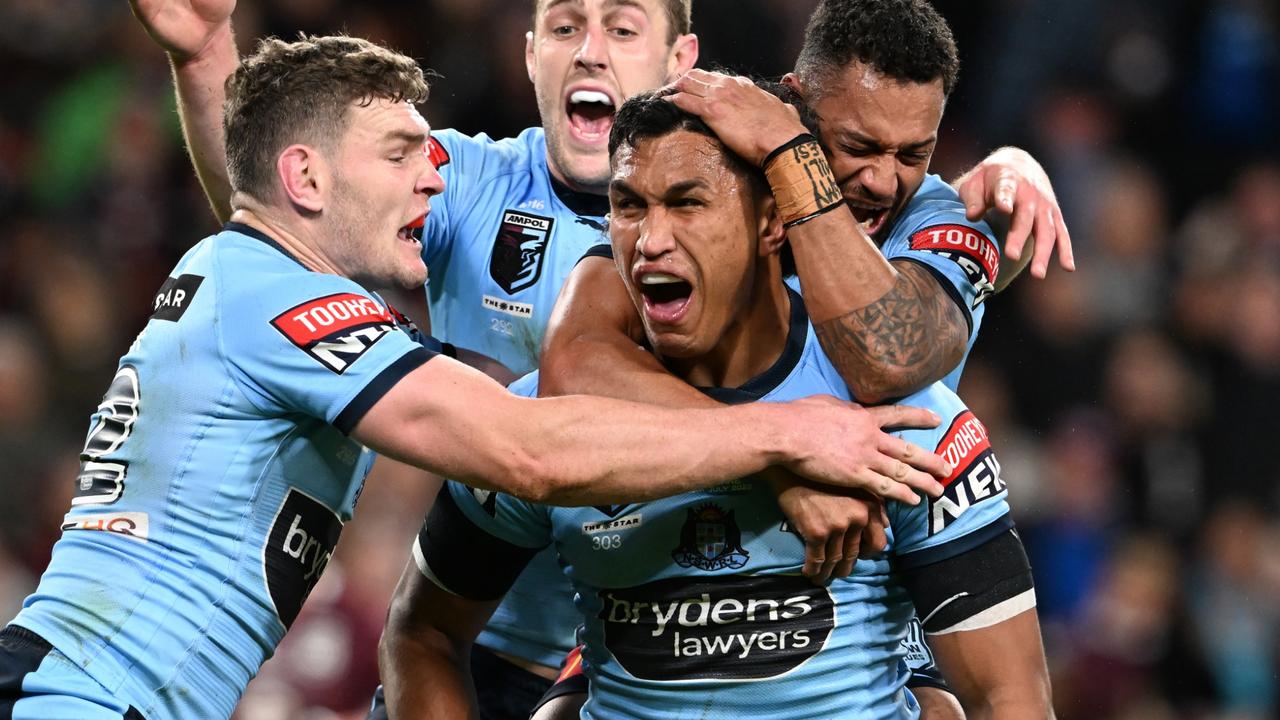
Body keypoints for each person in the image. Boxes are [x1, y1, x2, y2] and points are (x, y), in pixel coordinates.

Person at [129, 1, 1070, 715]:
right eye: (566, 24)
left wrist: (1005, 166)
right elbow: (292, 205)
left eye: (623, 26)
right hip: (518, 624)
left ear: (683, 63)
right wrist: (209, 57)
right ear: (529, 50)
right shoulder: (477, 187)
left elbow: (887, 360)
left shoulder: (910, 215)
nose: (879, 177)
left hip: (656, 642)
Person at [380, 93, 1055, 719]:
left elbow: (1008, 693)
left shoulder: (903, 420)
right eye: (629, 205)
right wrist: (777, 456)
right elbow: (423, 632)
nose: (650, 242)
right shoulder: (544, 424)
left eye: (687, 203)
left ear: (770, 222)